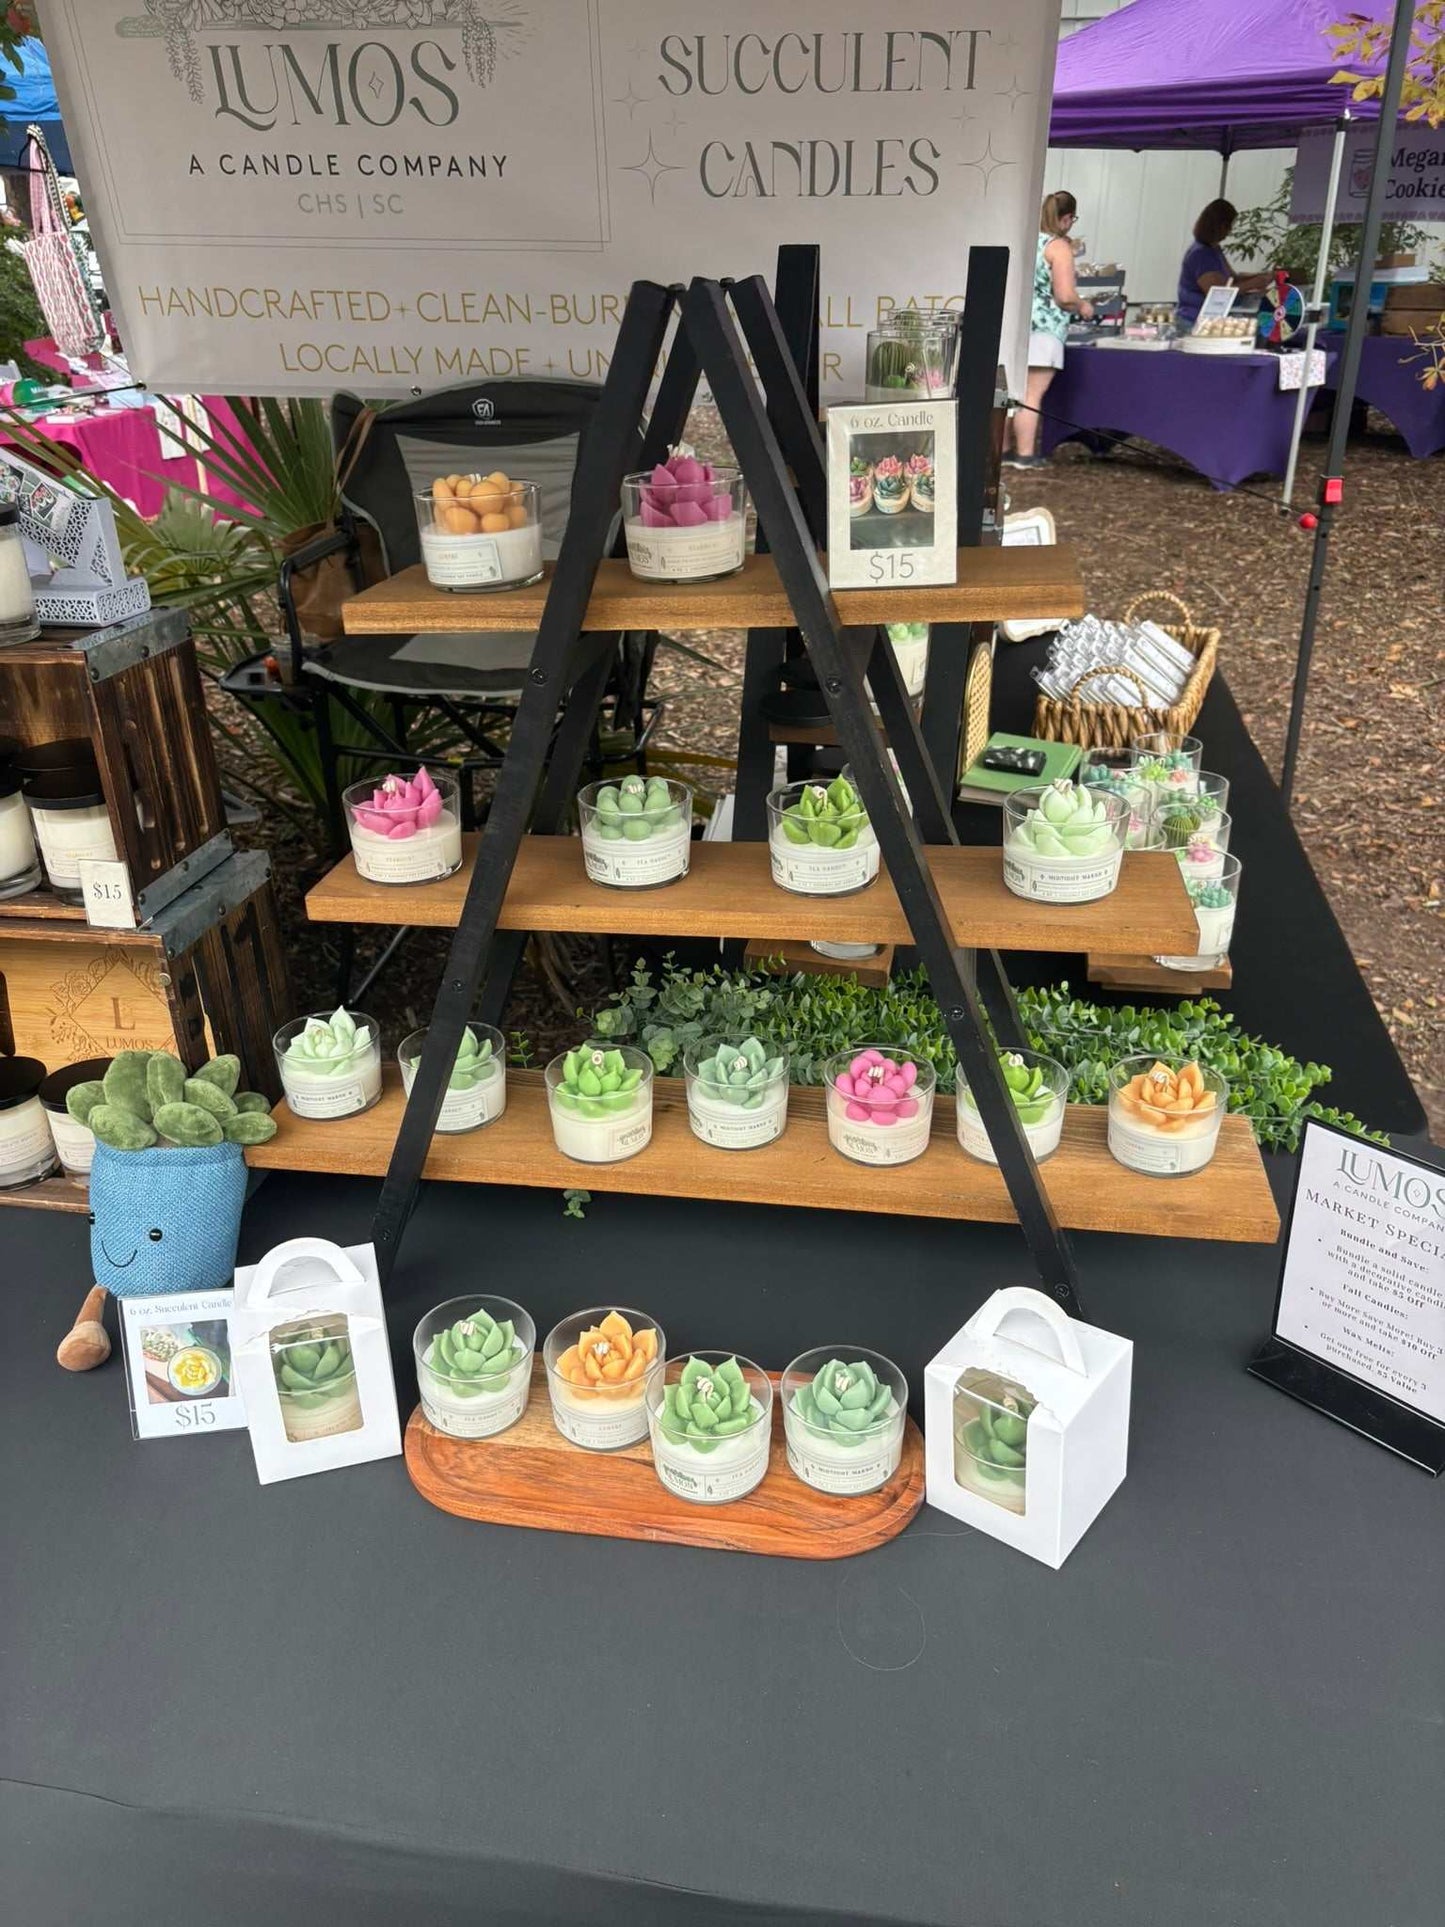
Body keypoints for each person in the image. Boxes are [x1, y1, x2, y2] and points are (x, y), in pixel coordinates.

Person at [1006, 190, 1092, 468]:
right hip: (1045, 329)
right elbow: (1064, 295)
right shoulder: (1058, 248)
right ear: (1066, 218)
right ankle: (1026, 454)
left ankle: (1004, 451)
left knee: (1009, 393)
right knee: (1031, 394)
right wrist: (1083, 305)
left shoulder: (1026, 241)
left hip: (1017, 325)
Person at [1176, 200, 1274, 326]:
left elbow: (1233, 278)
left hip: (1211, 320)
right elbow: (1217, 294)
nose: (1230, 231)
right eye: (1228, 226)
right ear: (1219, 226)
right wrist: (1252, 284)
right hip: (1194, 322)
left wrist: (1261, 276)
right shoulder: (1200, 255)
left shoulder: (1214, 249)